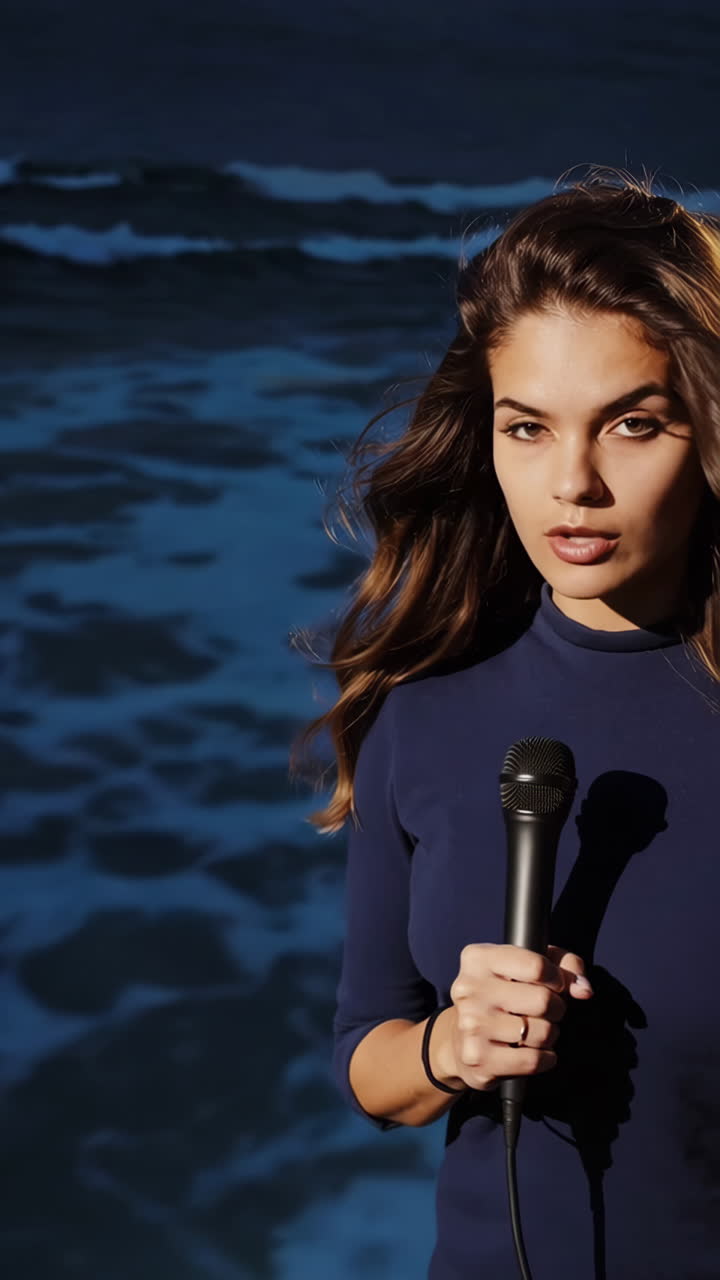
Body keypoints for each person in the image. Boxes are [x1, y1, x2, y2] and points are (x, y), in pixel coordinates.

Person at [292, 168, 720, 1279]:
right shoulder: (422, 710)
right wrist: (452, 1043)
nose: (571, 482)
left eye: (634, 423)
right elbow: (366, 1059)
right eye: (527, 427)